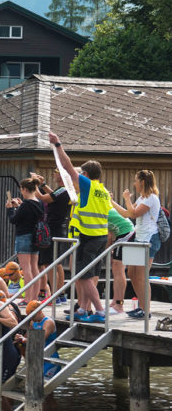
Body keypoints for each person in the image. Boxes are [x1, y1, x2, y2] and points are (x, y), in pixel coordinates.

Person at [51, 132, 110, 323]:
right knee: (88, 275)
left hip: (88, 237)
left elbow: (67, 166)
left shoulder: (89, 185)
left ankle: (100, 311)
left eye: (80, 174)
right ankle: (83, 309)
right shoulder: (103, 190)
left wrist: (57, 145)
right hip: (100, 237)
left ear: (85, 174)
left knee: (83, 276)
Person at [113, 170, 162, 319]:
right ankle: (141, 307)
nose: (134, 184)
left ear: (142, 182)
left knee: (142, 275)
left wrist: (127, 199)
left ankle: (145, 310)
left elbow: (133, 214)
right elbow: (126, 214)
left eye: (136, 180)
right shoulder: (142, 198)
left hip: (148, 240)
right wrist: (111, 202)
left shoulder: (151, 198)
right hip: (138, 238)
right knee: (132, 273)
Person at [35, 171, 71, 301]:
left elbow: (45, 198)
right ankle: (60, 294)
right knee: (57, 263)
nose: (54, 174)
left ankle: (55, 295)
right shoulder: (63, 190)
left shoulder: (63, 189)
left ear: (61, 176)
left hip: (53, 228)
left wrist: (34, 186)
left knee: (49, 263)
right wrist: (43, 184)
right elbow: (53, 195)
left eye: (55, 172)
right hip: (59, 228)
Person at [6, 177, 44, 300]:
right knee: (34, 268)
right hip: (36, 237)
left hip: (23, 236)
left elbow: (14, 220)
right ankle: (34, 297)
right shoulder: (39, 203)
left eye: (21, 189)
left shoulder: (26, 204)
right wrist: (20, 205)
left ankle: (27, 298)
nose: (21, 192)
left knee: (26, 269)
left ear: (25, 189)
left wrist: (10, 209)